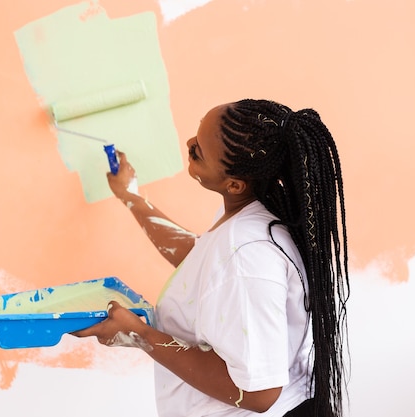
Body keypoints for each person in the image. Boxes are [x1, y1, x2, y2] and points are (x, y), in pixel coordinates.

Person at [73, 99, 350, 417]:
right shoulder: (253, 212)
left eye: (197, 153)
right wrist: (131, 197)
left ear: (234, 183)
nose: (188, 144)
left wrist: (141, 334)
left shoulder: (248, 256)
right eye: (196, 135)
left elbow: (259, 394)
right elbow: (203, 260)